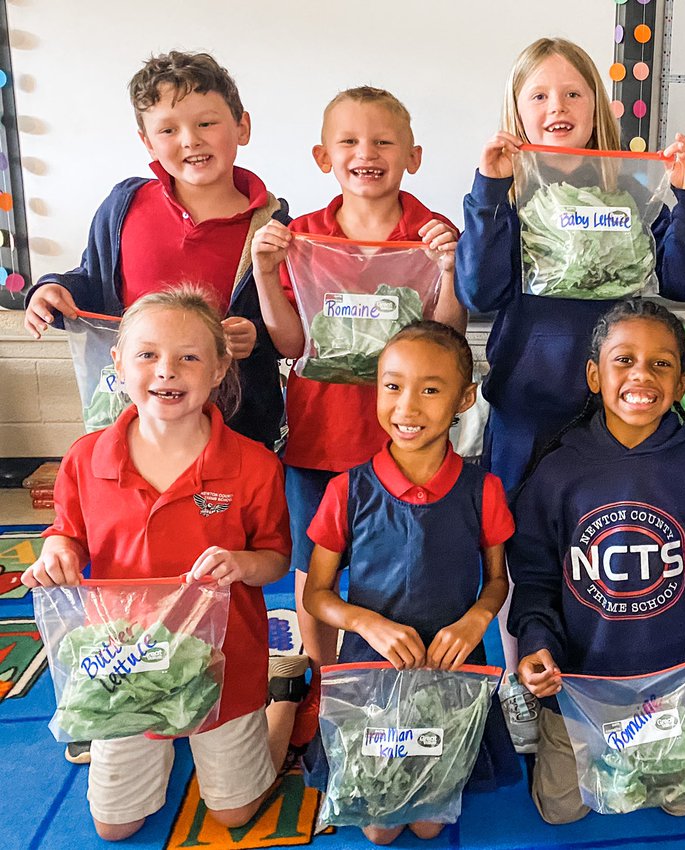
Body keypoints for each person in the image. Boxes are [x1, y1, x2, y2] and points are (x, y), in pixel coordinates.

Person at [21, 286, 302, 841]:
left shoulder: (253, 464)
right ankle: (166, 750)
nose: (167, 371)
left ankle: (285, 699)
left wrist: (241, 565)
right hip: (121, 666)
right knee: (114, 827)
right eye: (147, 354)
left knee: (234, 816)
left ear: (221, 367)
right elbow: (67, 535)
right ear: (118, 361)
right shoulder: (85, 458)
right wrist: (58, 553)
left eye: (189, 357)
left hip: (225, 665)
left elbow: (274, 560)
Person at [250, 86, 463, 746]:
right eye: (348, 142)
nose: (365, 154)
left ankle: (396, 680)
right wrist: (264, 271)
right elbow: (291, 345)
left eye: (382, 142)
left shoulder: (430, 232)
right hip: (320, 437)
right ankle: (321, 683)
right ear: (323, 156)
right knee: (314, 571)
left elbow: (447, 341)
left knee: (399, 572)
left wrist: (450, 271)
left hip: (405, 448)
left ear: (413, 156)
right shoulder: (303, 236)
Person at [508, 299, 685, 824]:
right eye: (624, 360)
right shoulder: (556, 471)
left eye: (661, 363)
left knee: (684, 804)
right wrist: (537, 647)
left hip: (675, 687)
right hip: (578, 687)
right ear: (594, 375)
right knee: (560, 813)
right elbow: (534, 579)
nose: (642, 374)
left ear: (682, 382)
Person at [456, 37, 685, 494]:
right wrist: (488, 195)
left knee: (599, 541)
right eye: (539, 96)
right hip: (525, 412)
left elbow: (681, 282)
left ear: (596, 105)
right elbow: (478, 292)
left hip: (617, 410)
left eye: (573, 93)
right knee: (519, 546)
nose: (558, 107)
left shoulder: (633, 188)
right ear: (517, 112)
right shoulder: (508, 192)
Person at [302, 321, 512, 844]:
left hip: (452, 672)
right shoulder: (347, 490)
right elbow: (316, 595)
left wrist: (475, 620)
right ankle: (285, 698)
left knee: (428, 818)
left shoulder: (482, 489)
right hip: (370, 673)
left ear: (465, 398)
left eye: (431, 389)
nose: (408, 407)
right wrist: (365, 622)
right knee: (379, 829)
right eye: (392, 386)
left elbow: (496, 583)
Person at [23, 51, 288, 452]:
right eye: (168, 130)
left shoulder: (274, 225)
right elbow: (91, 281)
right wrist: (52, 289)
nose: (190, 140)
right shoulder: (124, 205)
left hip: (236, 431)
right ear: (147, 142)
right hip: (134, 420)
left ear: (242, 127)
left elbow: (290, 324)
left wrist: (257, 336)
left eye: (206, 123)